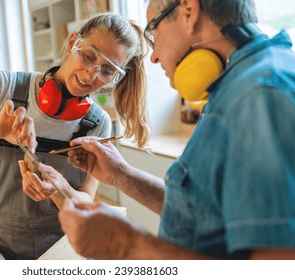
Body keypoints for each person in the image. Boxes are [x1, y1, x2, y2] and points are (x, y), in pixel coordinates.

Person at [23, 0, 295, 259]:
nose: (153, 56)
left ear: (188, 10)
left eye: (154, 31)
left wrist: (127, 244)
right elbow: (208, 213)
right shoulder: (239, 86)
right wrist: (122, 176)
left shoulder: (261, 95)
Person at [0, 13, 148, 259]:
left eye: (107, 70)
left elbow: (84, 202)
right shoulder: (5, 87)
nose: (89, 76)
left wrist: (58, 187)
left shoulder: (98, 123)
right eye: (87, 56)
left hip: (61, 247)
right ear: (72, 41)